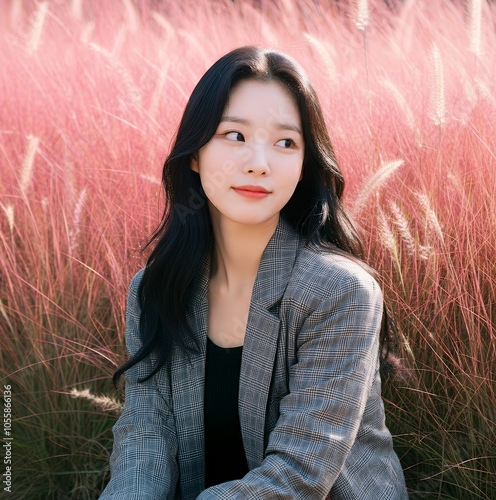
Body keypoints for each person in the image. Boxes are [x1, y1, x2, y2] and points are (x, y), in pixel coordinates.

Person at [99, 46, 408, 499]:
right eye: (234, 135)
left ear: (305, 165)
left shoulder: (339, 291)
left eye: (286, 142)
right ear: (194, 153)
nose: (258, 162)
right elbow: (145, 438)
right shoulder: (155, 289)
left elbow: (300, 472)